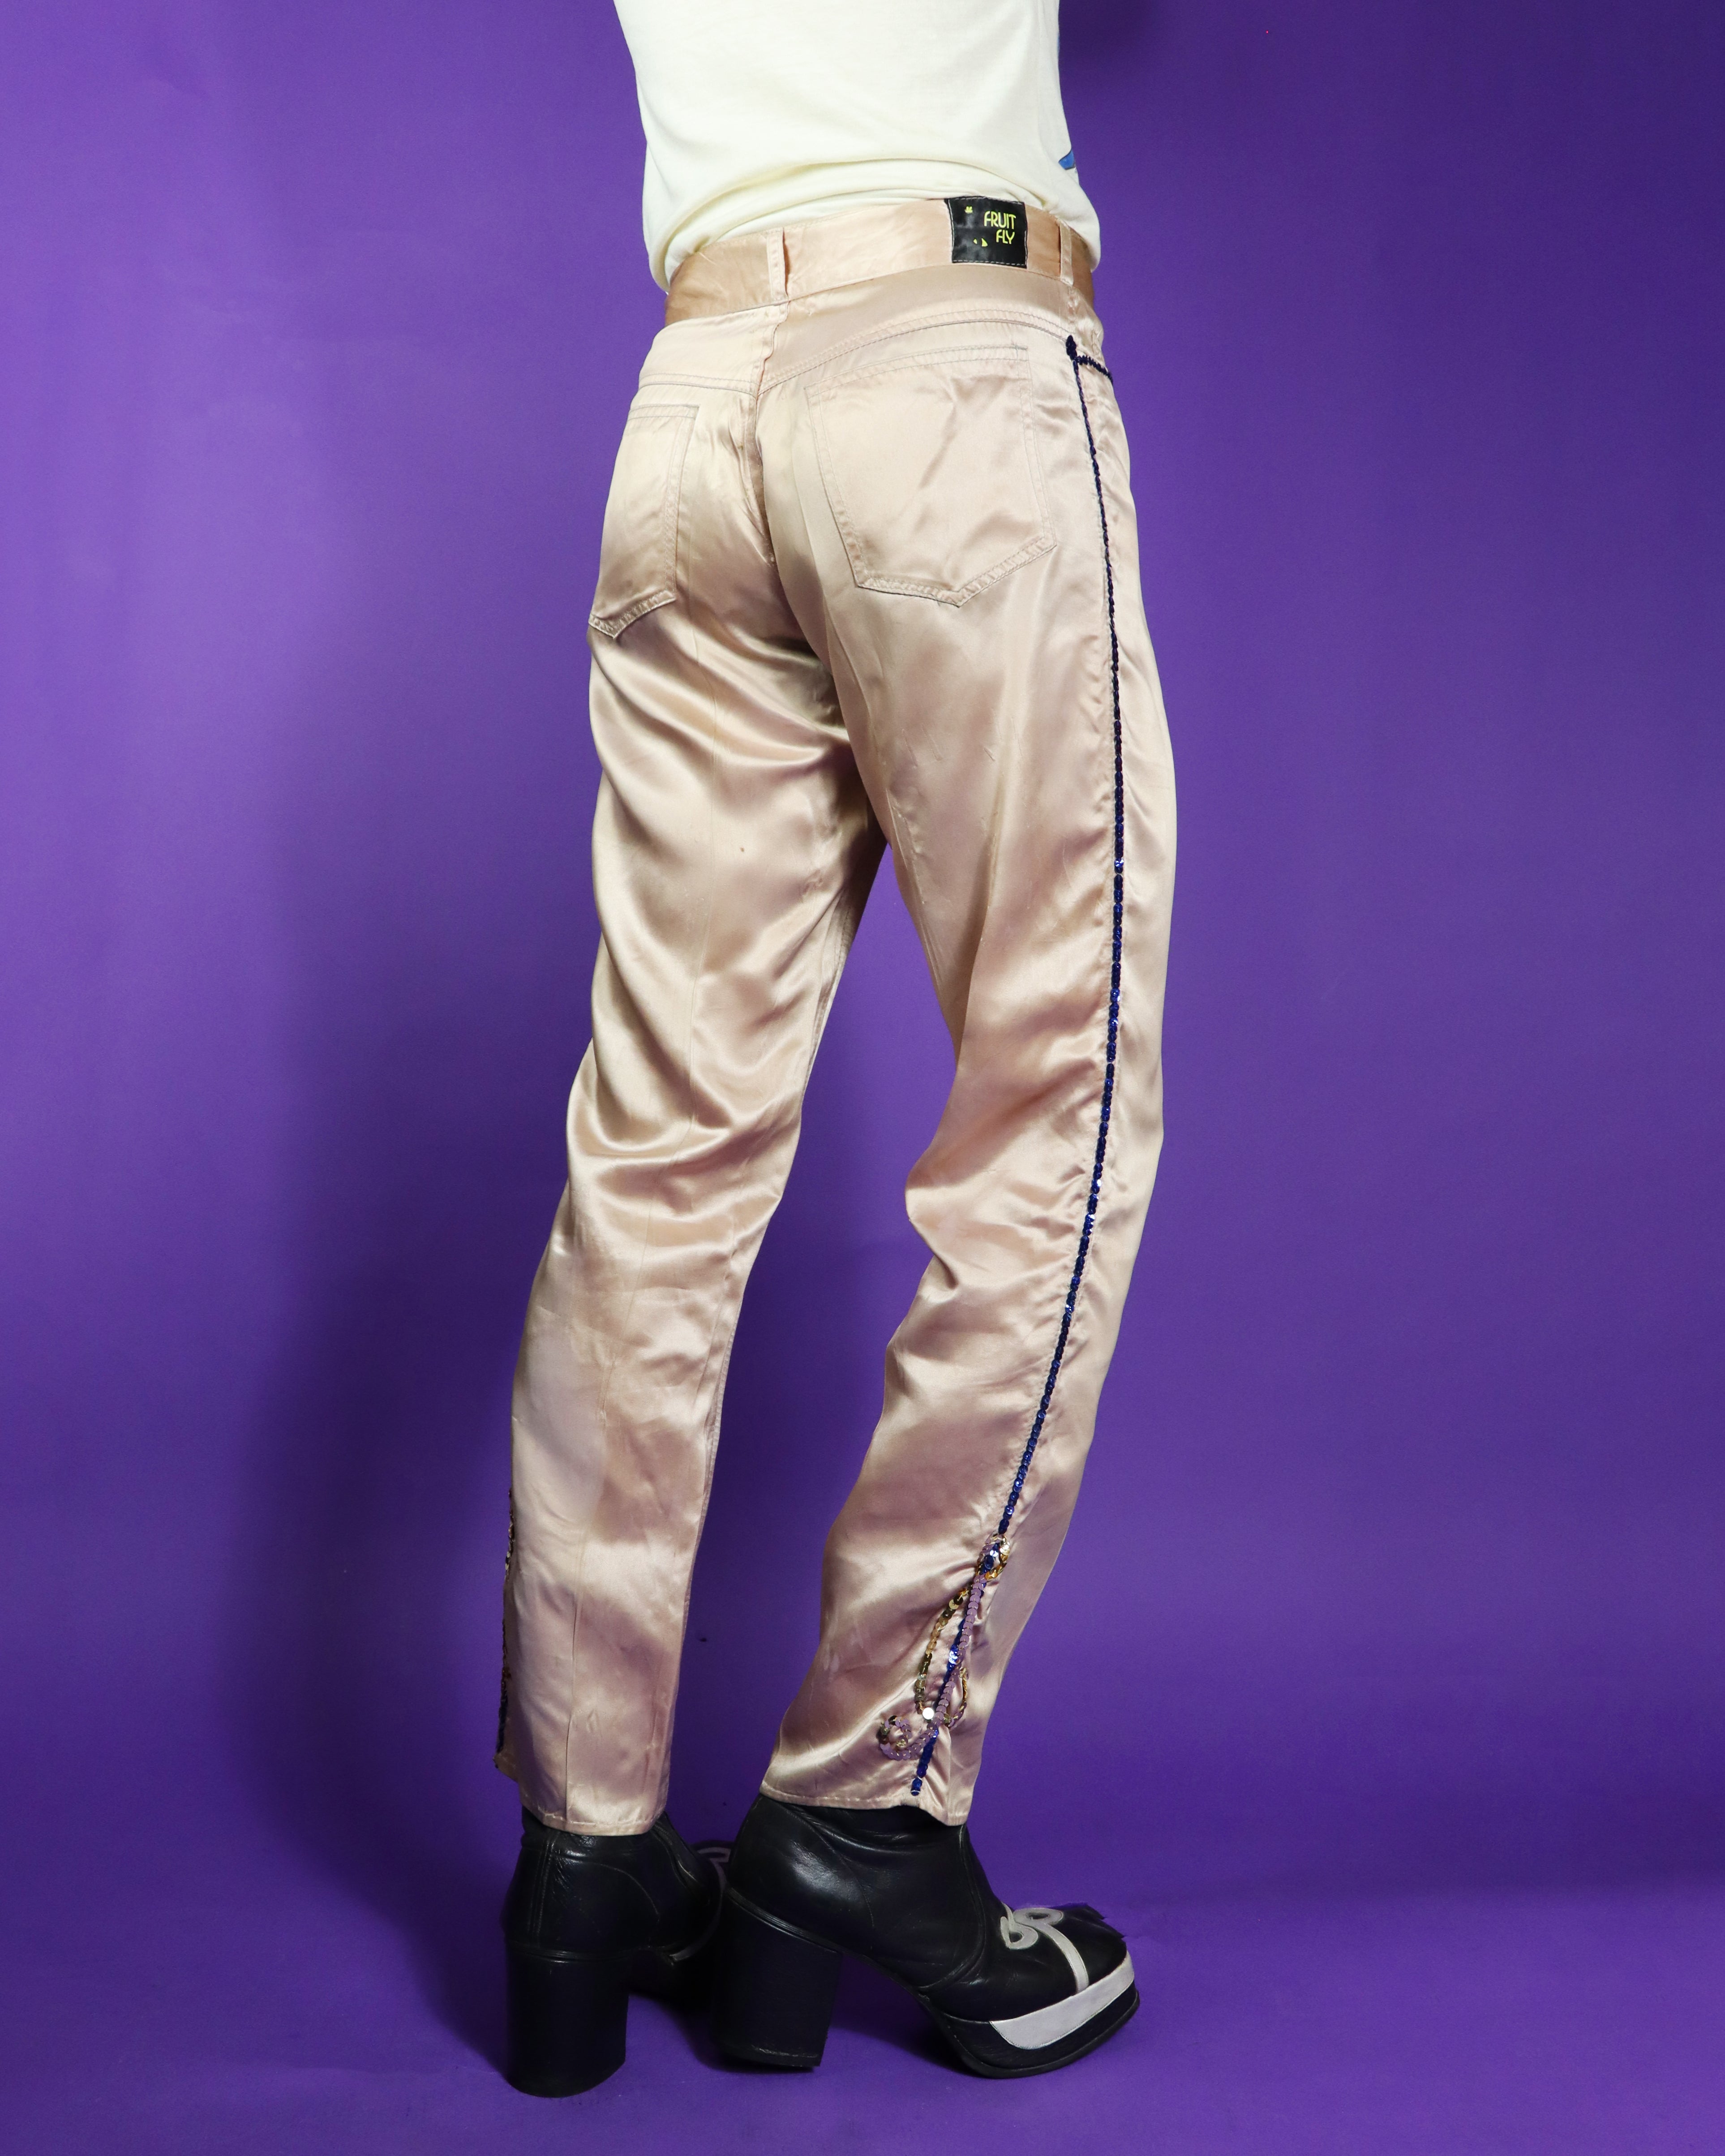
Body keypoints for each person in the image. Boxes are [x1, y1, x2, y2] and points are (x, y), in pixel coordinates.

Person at [495, 0, 1177, 2093]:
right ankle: (866, 1806)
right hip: (951, 375)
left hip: (694, 405)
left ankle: (590, 1858)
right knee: (1054, 1105)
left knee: (661, 1155)